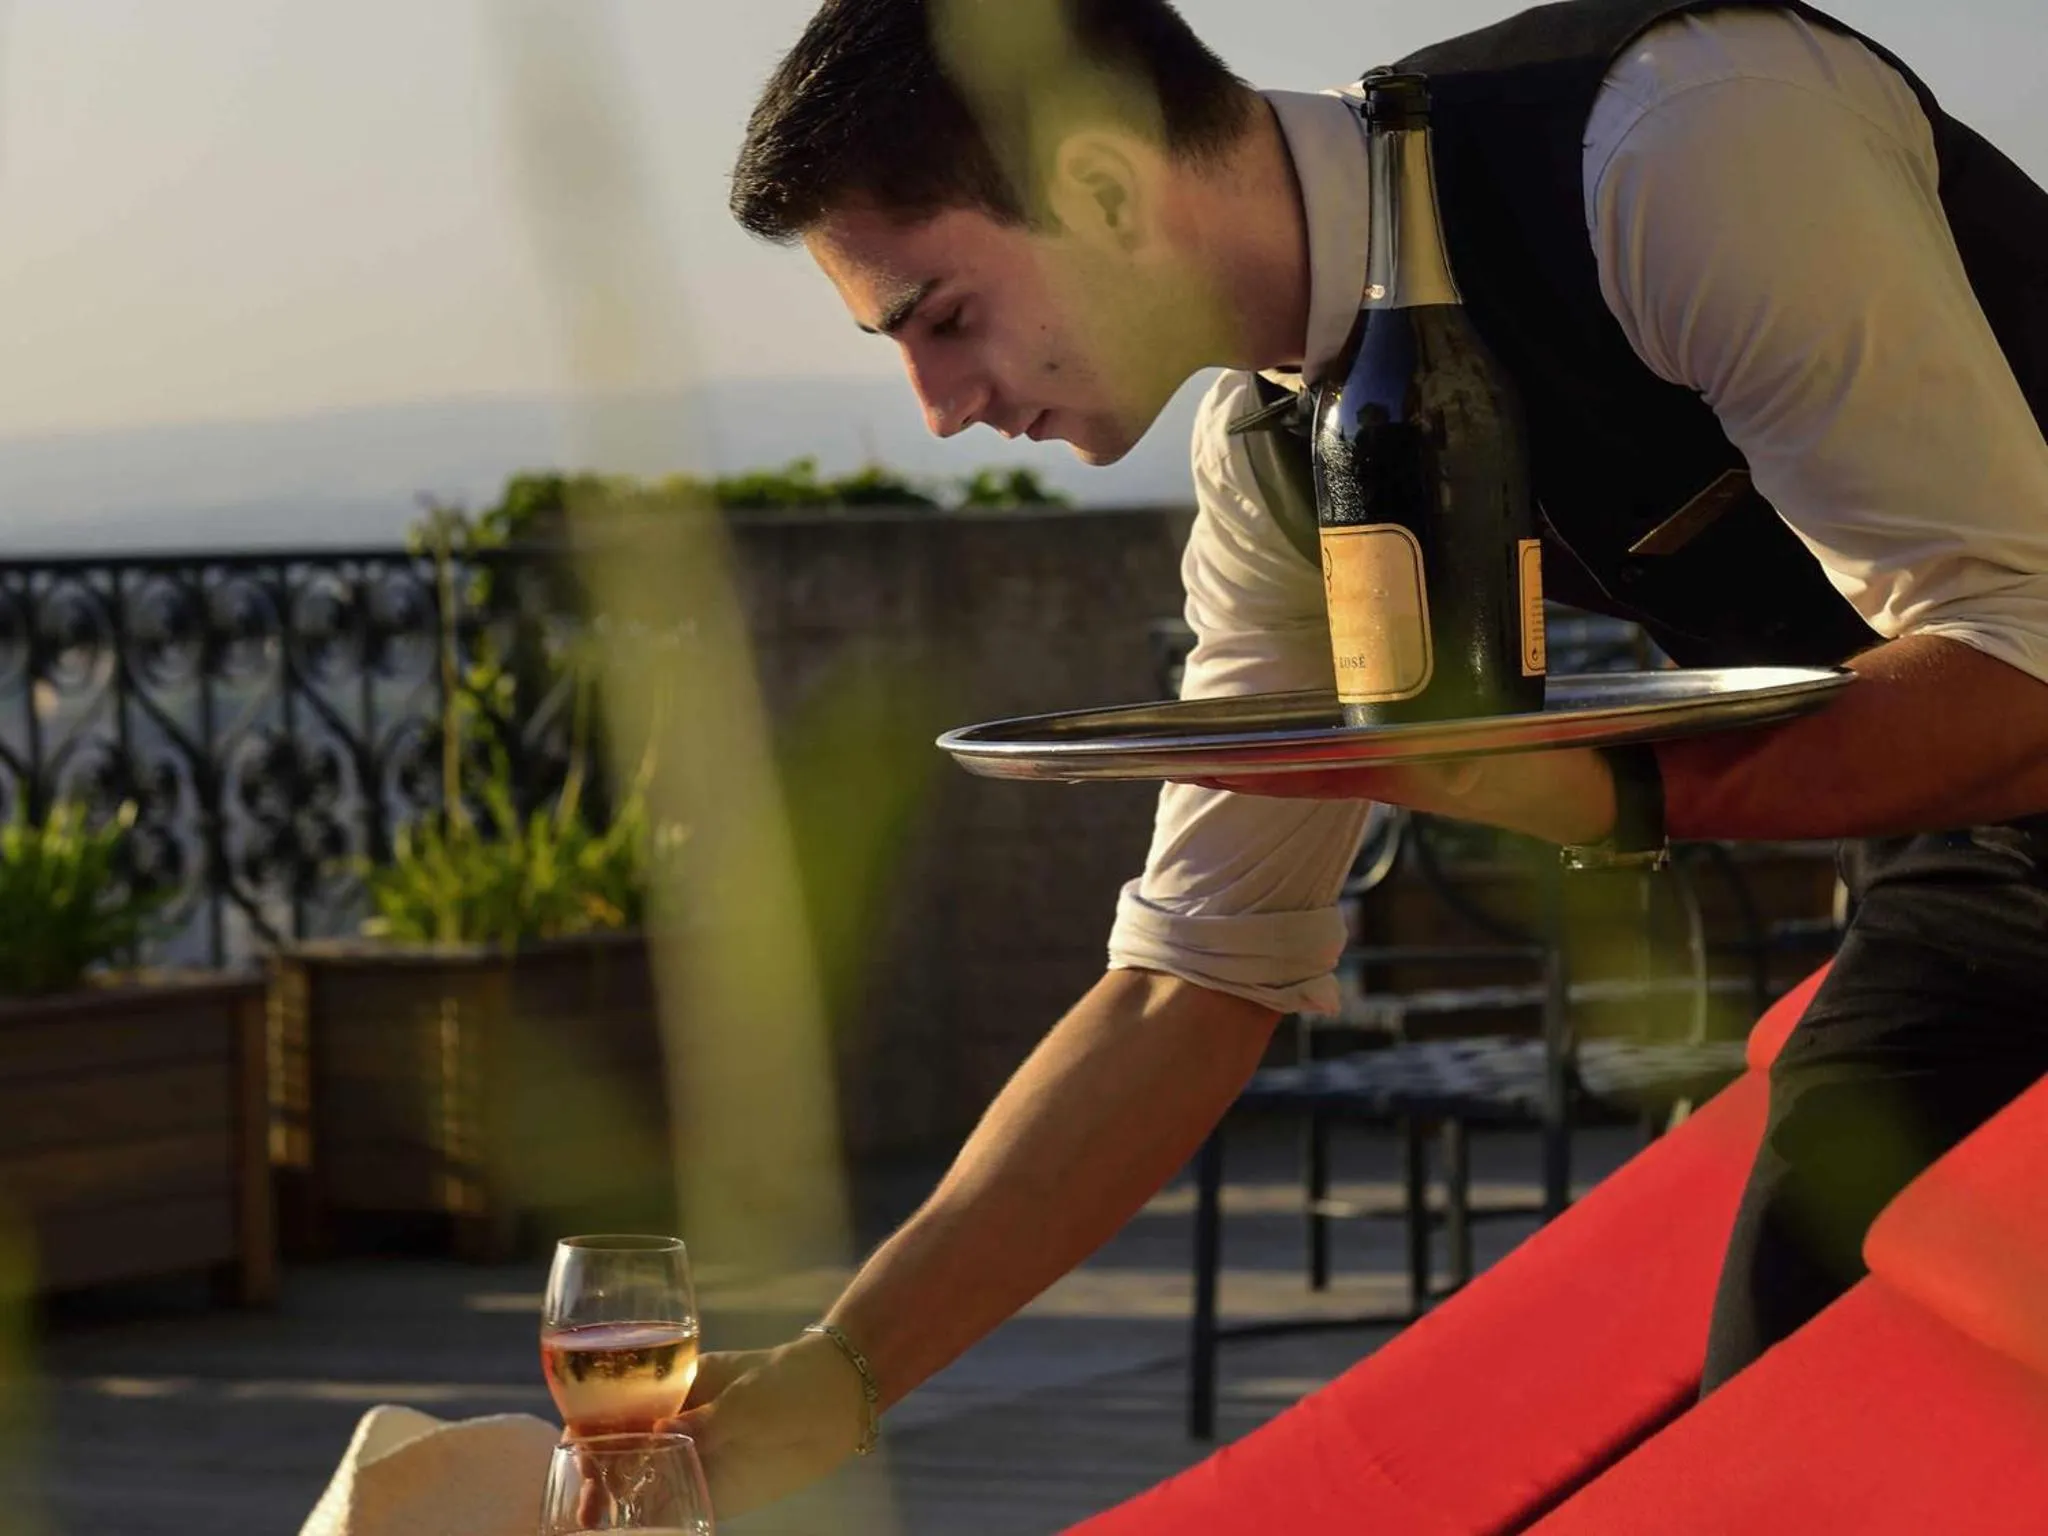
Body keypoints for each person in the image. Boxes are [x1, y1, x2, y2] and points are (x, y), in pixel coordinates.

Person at [676, 0, 2048, 1515]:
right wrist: (844, 1367)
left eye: (942, 318)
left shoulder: (1680, 146)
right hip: (1994, 865)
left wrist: (1608, 796)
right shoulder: (1271, 460)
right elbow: (1190, 977)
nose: (941, 409)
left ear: (1110, 191)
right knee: (1786, 1429)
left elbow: (2028, 654)